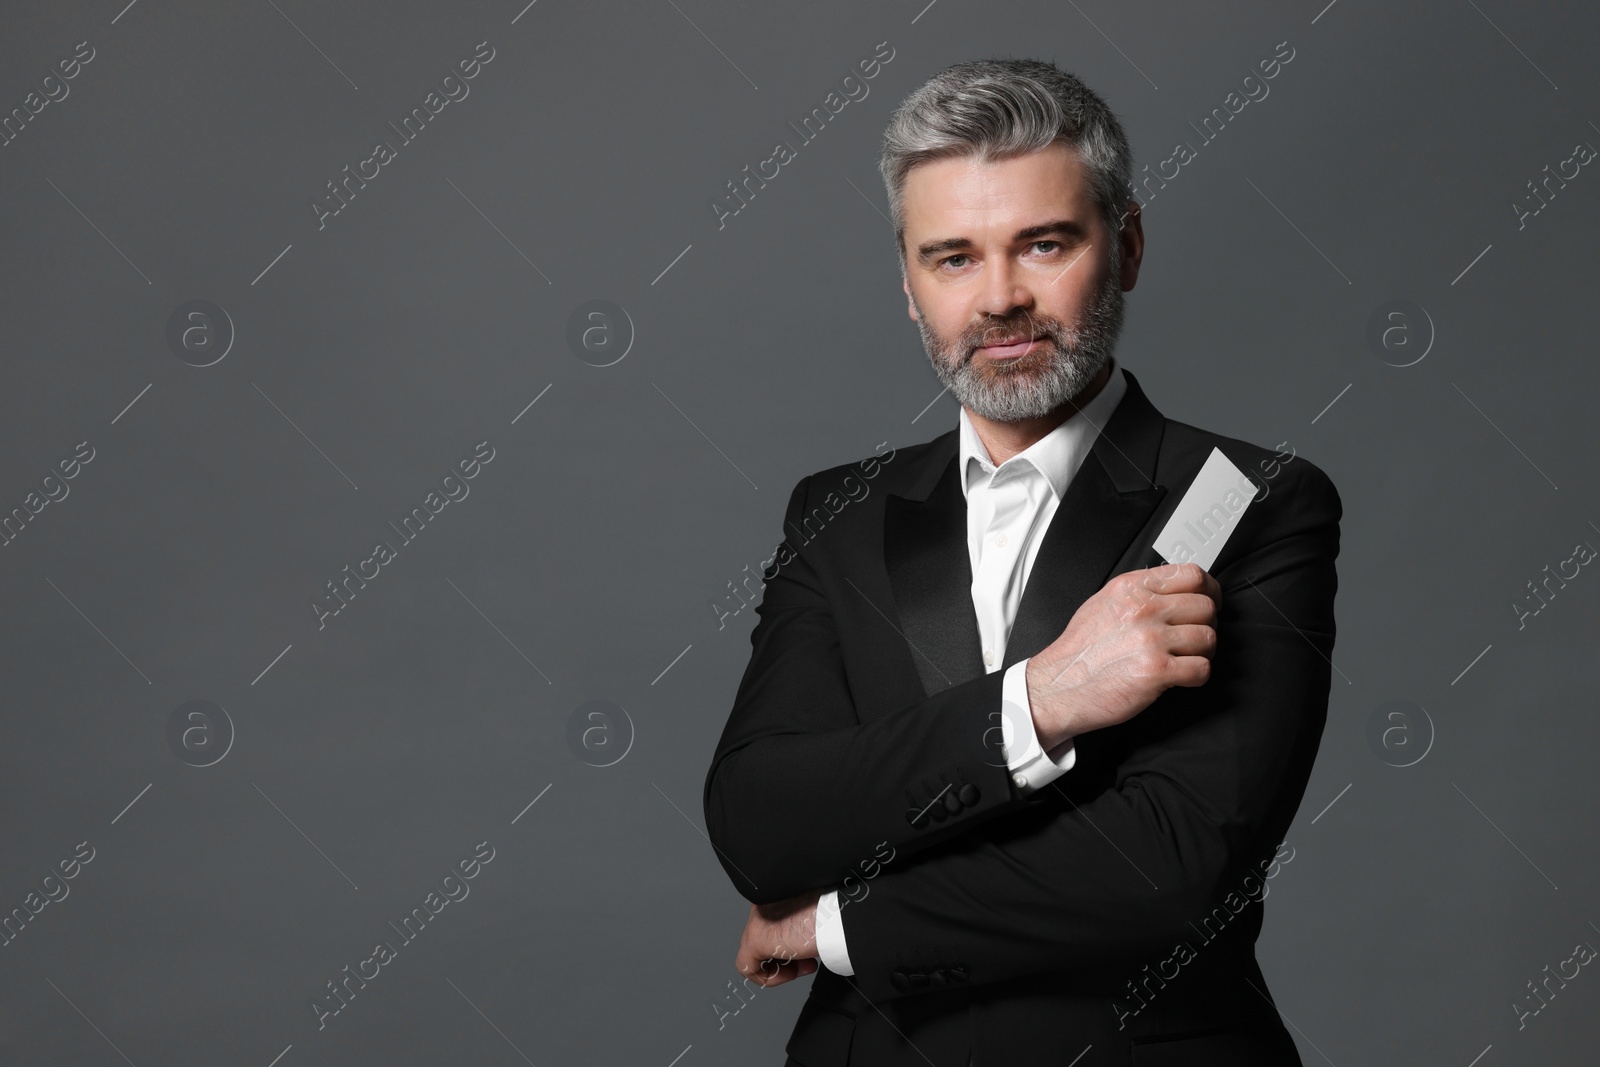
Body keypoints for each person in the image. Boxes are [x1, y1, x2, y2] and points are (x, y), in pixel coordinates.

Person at [702, 57, 1340, 1066]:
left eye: (1042, 244)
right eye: (951, 257)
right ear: (908, 285)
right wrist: (1041, 698)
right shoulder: (837, 513)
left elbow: (1170, 870)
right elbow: (761, 821)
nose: (999, 297)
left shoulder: (1243, 500)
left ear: (1124, 246)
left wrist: (831, 926)